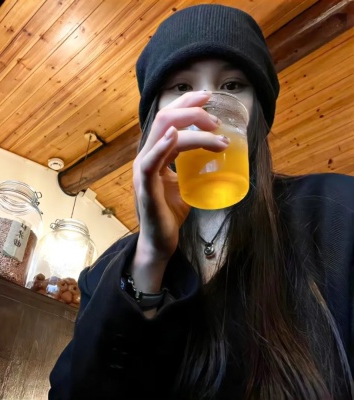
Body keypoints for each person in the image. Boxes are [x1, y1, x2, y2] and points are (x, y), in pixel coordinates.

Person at [49, 4, 354, 400]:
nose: (208, 104)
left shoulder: (337, 211)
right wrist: (150, 259)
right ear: (156, 116)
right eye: (181, 88)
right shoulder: (110, 270)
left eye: (232, 85)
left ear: (257, 114)